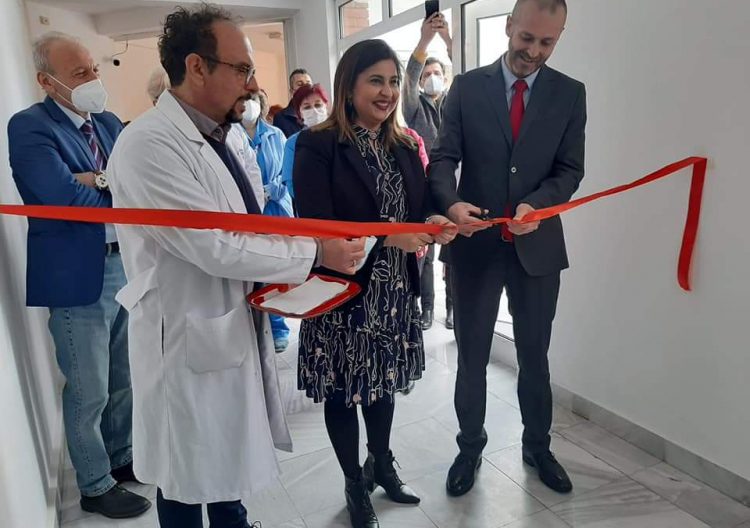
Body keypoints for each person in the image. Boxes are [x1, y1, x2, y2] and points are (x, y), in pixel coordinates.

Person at [106, 5, 364, 527]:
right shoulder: (148, 145)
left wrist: (296, 258)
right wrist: (316, 253)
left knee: (226, 459)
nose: (252, 84)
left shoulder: (226, 135)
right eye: (242, 69)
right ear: (197, 67)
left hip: (226, 319)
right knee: (185, 473)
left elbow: (253, 221)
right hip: (184, 332)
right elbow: (213, 246)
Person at [293, 39, 456, 528]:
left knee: (382, 385)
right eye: (375, 81)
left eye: (393, 82)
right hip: (344, 294)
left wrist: (434, 221)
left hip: (393, 293)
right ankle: (352, 482)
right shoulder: (318, 145)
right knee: (344, 392)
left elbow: (419, 207)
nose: (387, 92)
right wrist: (389, 238)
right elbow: (317, 222)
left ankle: (380, 464)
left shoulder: (404, 144)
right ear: (349, 86)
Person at [429, 0, 586, 497]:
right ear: (508, 27)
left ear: (558, 38)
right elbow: (442, 159)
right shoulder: (466, 87)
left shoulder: (570, 94)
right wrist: (451, 204)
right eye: (527, 38)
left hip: (537, 249)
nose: (534, 51)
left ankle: (538, 447)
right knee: (472, 356)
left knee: (535, 356)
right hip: (474, 248)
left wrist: (538, 204)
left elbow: (570, 170)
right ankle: (469, 447)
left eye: (547, 42)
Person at [7, 32, 151, 519]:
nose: (92, 79)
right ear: (47, 82)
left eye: (93, 69)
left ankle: (121, 456)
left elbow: (136, 186)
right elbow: (62, 198)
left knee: (123, 377)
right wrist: (109, 185)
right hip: (76, 275)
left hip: (124, 263)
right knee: (89, 388)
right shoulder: (29, 127)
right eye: (79, 73)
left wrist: (98, 181)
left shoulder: (107, 122)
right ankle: (94, 483)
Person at [403, 12, 454, 331]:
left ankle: (451, 308)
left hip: (451, 189)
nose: (432, 77)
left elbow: (468, 73)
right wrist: (425, 41)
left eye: (437, 73)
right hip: (422, 189)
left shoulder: (455, 103)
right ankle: (426, 308)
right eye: (427, 74)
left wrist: (447, 40)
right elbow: (408, 78)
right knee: (423, 254)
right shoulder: (413, 107)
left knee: (451, 254)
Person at [241, 89, 294, 352]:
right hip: (249, 213)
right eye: (244, 99)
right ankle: (257, 327)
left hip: (275, 210)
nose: (248, 104)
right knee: (254, 271)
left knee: (276, 271)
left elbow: (286, 173)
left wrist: (270, 190)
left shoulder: (275, 135)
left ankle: (278, 326)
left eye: (253, 99)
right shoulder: (231, 136)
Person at [280, 82, 330, 201]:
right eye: (307, 107)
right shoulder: (293, 143)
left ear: (326, 106)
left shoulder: (340, 136)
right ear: (299, 113)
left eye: (318, 105)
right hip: (311, 206)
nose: (314, 110)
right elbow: (291, 185)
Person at [273, 67, 313, 137]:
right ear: (291, 91)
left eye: (308, 84)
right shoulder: (281, 118)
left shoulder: (319, 113)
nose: (305, 88)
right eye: (300, 84)